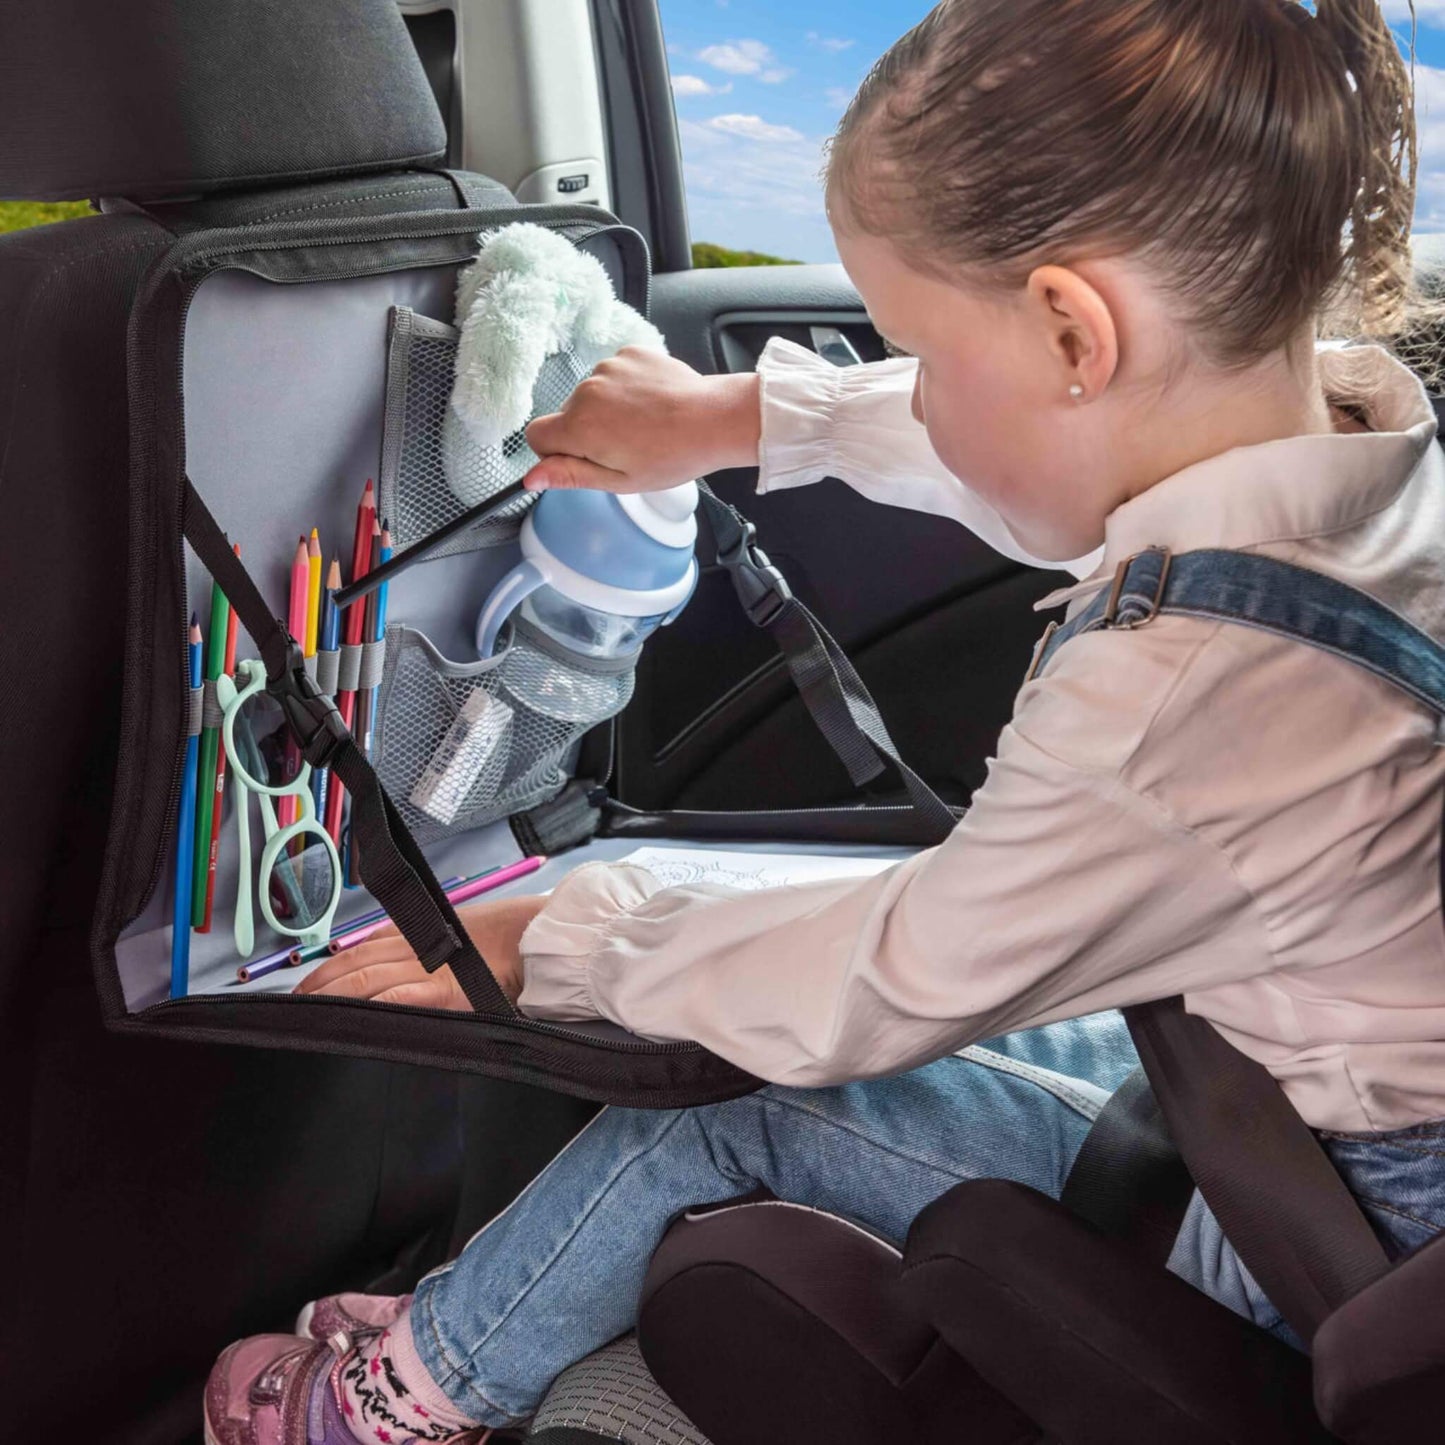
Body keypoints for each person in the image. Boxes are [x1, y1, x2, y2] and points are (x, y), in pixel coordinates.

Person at [205, 2, 1445, 1441]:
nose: (912, 379)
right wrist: (734, 417)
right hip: (1299, 1097)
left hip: (1329, 1235)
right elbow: (1013, 434)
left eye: (918, 341)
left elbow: (874, 987)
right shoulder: (1358, 476)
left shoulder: (1182, 692)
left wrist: (564, 931)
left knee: (720, 1109)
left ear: (1069, 329)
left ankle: (396, 1396)